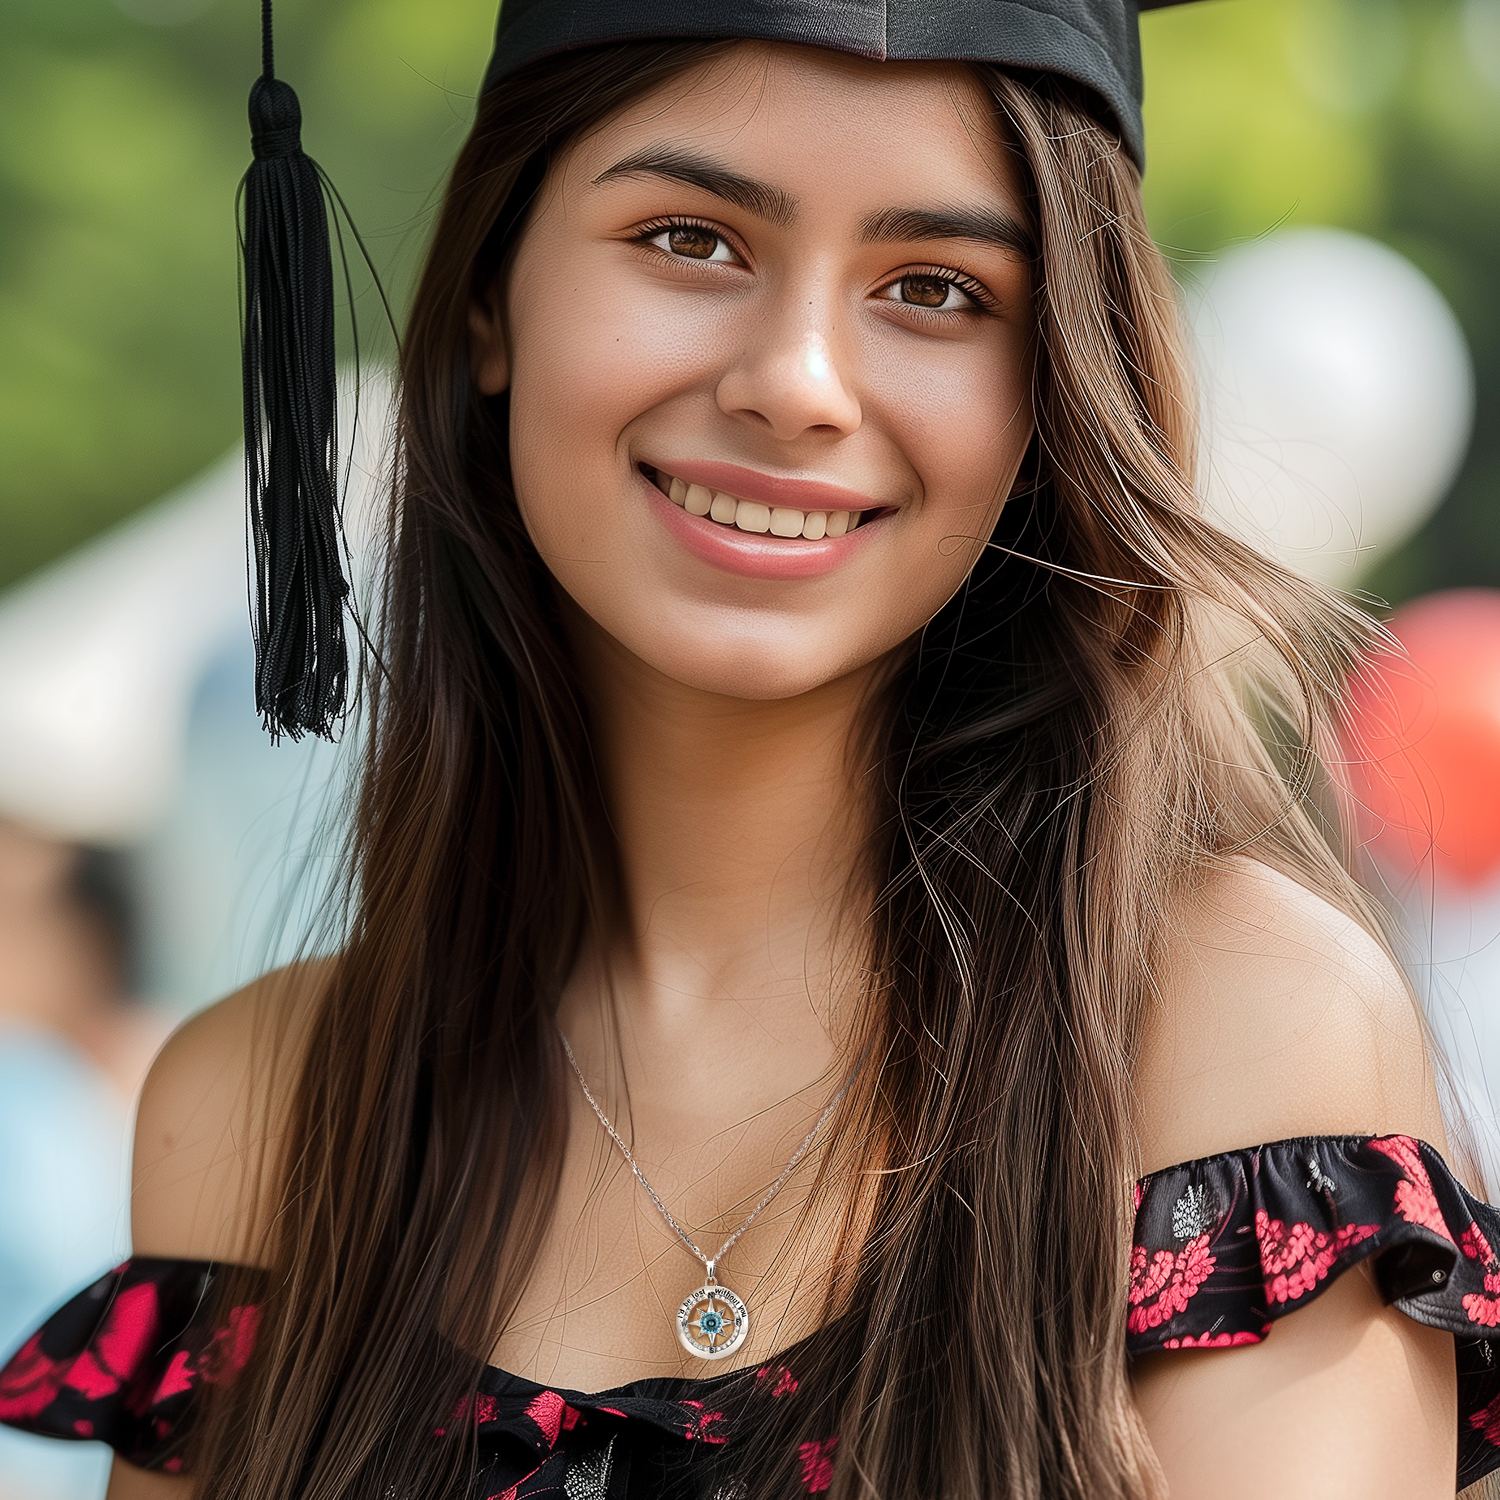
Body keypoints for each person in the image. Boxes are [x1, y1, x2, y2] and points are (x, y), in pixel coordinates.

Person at [3, 2, 1499, 1497]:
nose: (796, 381)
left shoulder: (1230, 1036)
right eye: (689, 240)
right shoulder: (267, 1113)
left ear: (1046, 395)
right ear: (489, 304)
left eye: (933, 286)